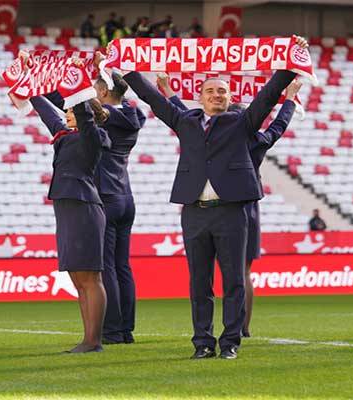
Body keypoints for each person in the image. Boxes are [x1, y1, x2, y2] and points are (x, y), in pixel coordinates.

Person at [120, 36, 308, 360]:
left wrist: (289, 64)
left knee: (234, 280)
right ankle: (202, 343)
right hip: (194, 211)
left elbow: (266, 98)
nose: (216, 95)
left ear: (229, 96)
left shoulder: (242, 122)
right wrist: (127, 70)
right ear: (201, 98)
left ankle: (231, 342)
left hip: (232, 212)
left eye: (222, 91)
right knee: (199, 283)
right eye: (210, 91)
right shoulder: (185, 121)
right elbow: (153, 98)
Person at [158, 74, 302, 338]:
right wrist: (290, 101)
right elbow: (277, 128)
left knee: (233, 275)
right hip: (241, 203)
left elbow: (181, 113)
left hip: (235, 204)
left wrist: (168, 90)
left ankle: (234, 332)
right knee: (238, 273)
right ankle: (240, 328)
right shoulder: (251, 137)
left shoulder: (231, 132)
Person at [25, 53, 111, 354]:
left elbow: (83, 114)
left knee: (90, 276)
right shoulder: (63, 135)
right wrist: (29, 80)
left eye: (71, 110)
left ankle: (93, 340)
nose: (66, 113)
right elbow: (44, 110)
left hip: (84, 207)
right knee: (77, 276)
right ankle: (87, 339)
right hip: (68, 207)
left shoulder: (93, 136)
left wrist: (77, 84)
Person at [87, 56, 146, 345]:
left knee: (107, 266)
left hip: (105, 195)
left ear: (102, 92)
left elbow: (93, 110)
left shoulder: (105, 114)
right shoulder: (134, 117)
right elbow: (125, 113)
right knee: (123, 266)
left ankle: (111, 330)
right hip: (126, 196)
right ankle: (126, 329)